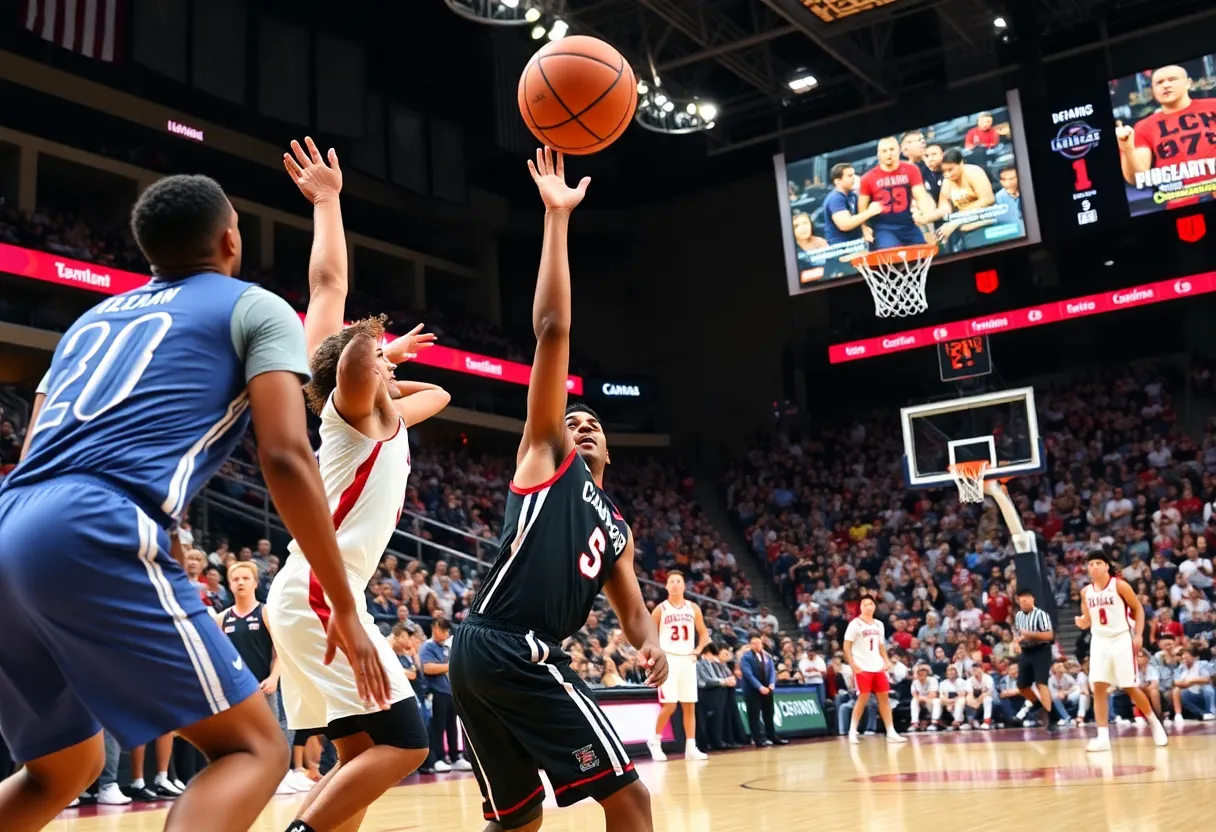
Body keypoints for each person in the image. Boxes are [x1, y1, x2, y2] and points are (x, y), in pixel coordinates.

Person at [0, 171, 390, 832]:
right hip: (95, 523)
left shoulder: (89, 321)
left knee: (61, 768)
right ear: (231, 239)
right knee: (256, 747)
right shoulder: (253, 306)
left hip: (12, 521)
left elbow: (39, 447)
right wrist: (345, 607)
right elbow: (286, 456)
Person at [448, 147, 668, 832]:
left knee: (517, 821)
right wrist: (556, 217)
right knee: (629, 799)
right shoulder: (548, 458)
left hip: (481, 656)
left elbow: (632, 616)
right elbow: (553, 330)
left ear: (612, 444)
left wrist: (650, 642)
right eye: (573, 419)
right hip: (511, 642)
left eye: (593, 422)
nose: (581, 425)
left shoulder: (619, 532)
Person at [267, 138, 447, 832]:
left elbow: (436, 395)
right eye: (371, 348)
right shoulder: (344, 408)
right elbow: (329, 292)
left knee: (361, 758)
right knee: (407, 743)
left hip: (315, 595)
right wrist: (330, 204)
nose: (380, 348)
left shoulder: (384, 418)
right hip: (320, 597)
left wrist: (390, 362)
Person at [217, 561, 306, 795]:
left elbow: (281, 652)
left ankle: (280, 775)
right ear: (230, 584)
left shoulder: (266, 612)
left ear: (255, 583)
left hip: (265, 685)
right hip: (236, 690)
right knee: (241, 737)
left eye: (245, 578)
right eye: (235, 579)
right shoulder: (221, 618)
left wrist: (273, 678)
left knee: (277, 730)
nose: (240, 582)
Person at [1075, 553, 1168, 751]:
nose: (1094, 567)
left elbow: (1138, 610)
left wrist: (1138, 635)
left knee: (1129, 686)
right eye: (1091, 564)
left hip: (1121, 638)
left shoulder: (1119, 585)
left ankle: (1153, 721)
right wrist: (1082, 621)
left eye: (1098, 563)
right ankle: (1102, 737)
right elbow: (1088, 619)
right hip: (1099, 641)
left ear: (1107, 566)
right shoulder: (1085, 592)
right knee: (1098, 687)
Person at [1116, 65, 1216, 208]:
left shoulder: (1213, 106)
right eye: (1159, 82)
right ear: (1153, 90)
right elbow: (1136, 177)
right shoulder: (1144, 126)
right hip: (1181, 203)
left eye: (1172, 79)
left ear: (1188, 83)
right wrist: (1127, 149)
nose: (1166, 85)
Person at [647, 570, 711, 762]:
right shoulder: (661, 608)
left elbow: (704, 634)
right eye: (671, 581)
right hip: (668, 660)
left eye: (678, 581)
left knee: (689, 705)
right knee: (670, 705)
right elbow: (649, 632)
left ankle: (691, 747)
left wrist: (697, 651)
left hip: (688, 659)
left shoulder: (693, 608)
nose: (675, 584)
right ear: (666, 586)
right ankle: (654, 740)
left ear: (684, 586)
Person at [843, 596, 906, 744]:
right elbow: (846, 646)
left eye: (870, 603)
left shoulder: (879, 624)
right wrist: (853, 665)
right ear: (860, 607)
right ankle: (852, 731)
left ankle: (891, 731)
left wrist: (886, 660)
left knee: (884, 698)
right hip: (862, 666)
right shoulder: (855, 624)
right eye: (865, 604)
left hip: (877, 666)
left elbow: (880, 645)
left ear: (875, 606)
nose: (868, 606)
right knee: (863, 698)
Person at [856, 136, 937, 249]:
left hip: (908, 224)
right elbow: (862, 207)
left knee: (922, 255)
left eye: (892, 149)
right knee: (891, 257)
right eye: (884, 151)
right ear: (878, 154)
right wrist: (864, 228)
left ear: (899, 150)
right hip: (884, 228)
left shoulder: (911, 169)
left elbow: (921, 196)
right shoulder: (867, 178)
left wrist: (921, 212)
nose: (889, 153)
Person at [420, 618, 470, 774]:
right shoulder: (427, 647)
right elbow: (428, 668)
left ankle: (456, 756)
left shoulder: (446, 647)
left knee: (452, 726)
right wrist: (450, 666)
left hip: (449, 692)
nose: (447, 634)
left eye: (448, 631)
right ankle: (439, 758)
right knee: (438, 726)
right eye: (444, 630)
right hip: (436, 692)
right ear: (435, 629)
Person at [1012, 588, 1057, 732]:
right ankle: (1037, 704)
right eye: (1021, 598)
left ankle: (1051, 718)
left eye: (1027, 597)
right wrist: (1017, 643)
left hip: (1041, 651)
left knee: (1041, 684)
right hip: (1026, 651)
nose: (1024, 600)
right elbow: (1019, 635)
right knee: (1022, 685)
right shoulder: (1018, 615)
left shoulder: (1041, 614)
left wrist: (1030, 635)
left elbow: (1049, 636)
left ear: (1033, 599)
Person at [740, 635, 783, 747]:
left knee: (769, 714)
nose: (756, 645)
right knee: (754, 716)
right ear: (750, 645)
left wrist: (772, 683)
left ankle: (773, 737)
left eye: (758, 643)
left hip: (767, 689)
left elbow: (772, 670)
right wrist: (759, 687)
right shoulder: (746, 657)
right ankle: (758, 740)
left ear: (762, 644)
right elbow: (748, 675)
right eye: (754, 643)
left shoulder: (767, 656)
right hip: (753, 691)